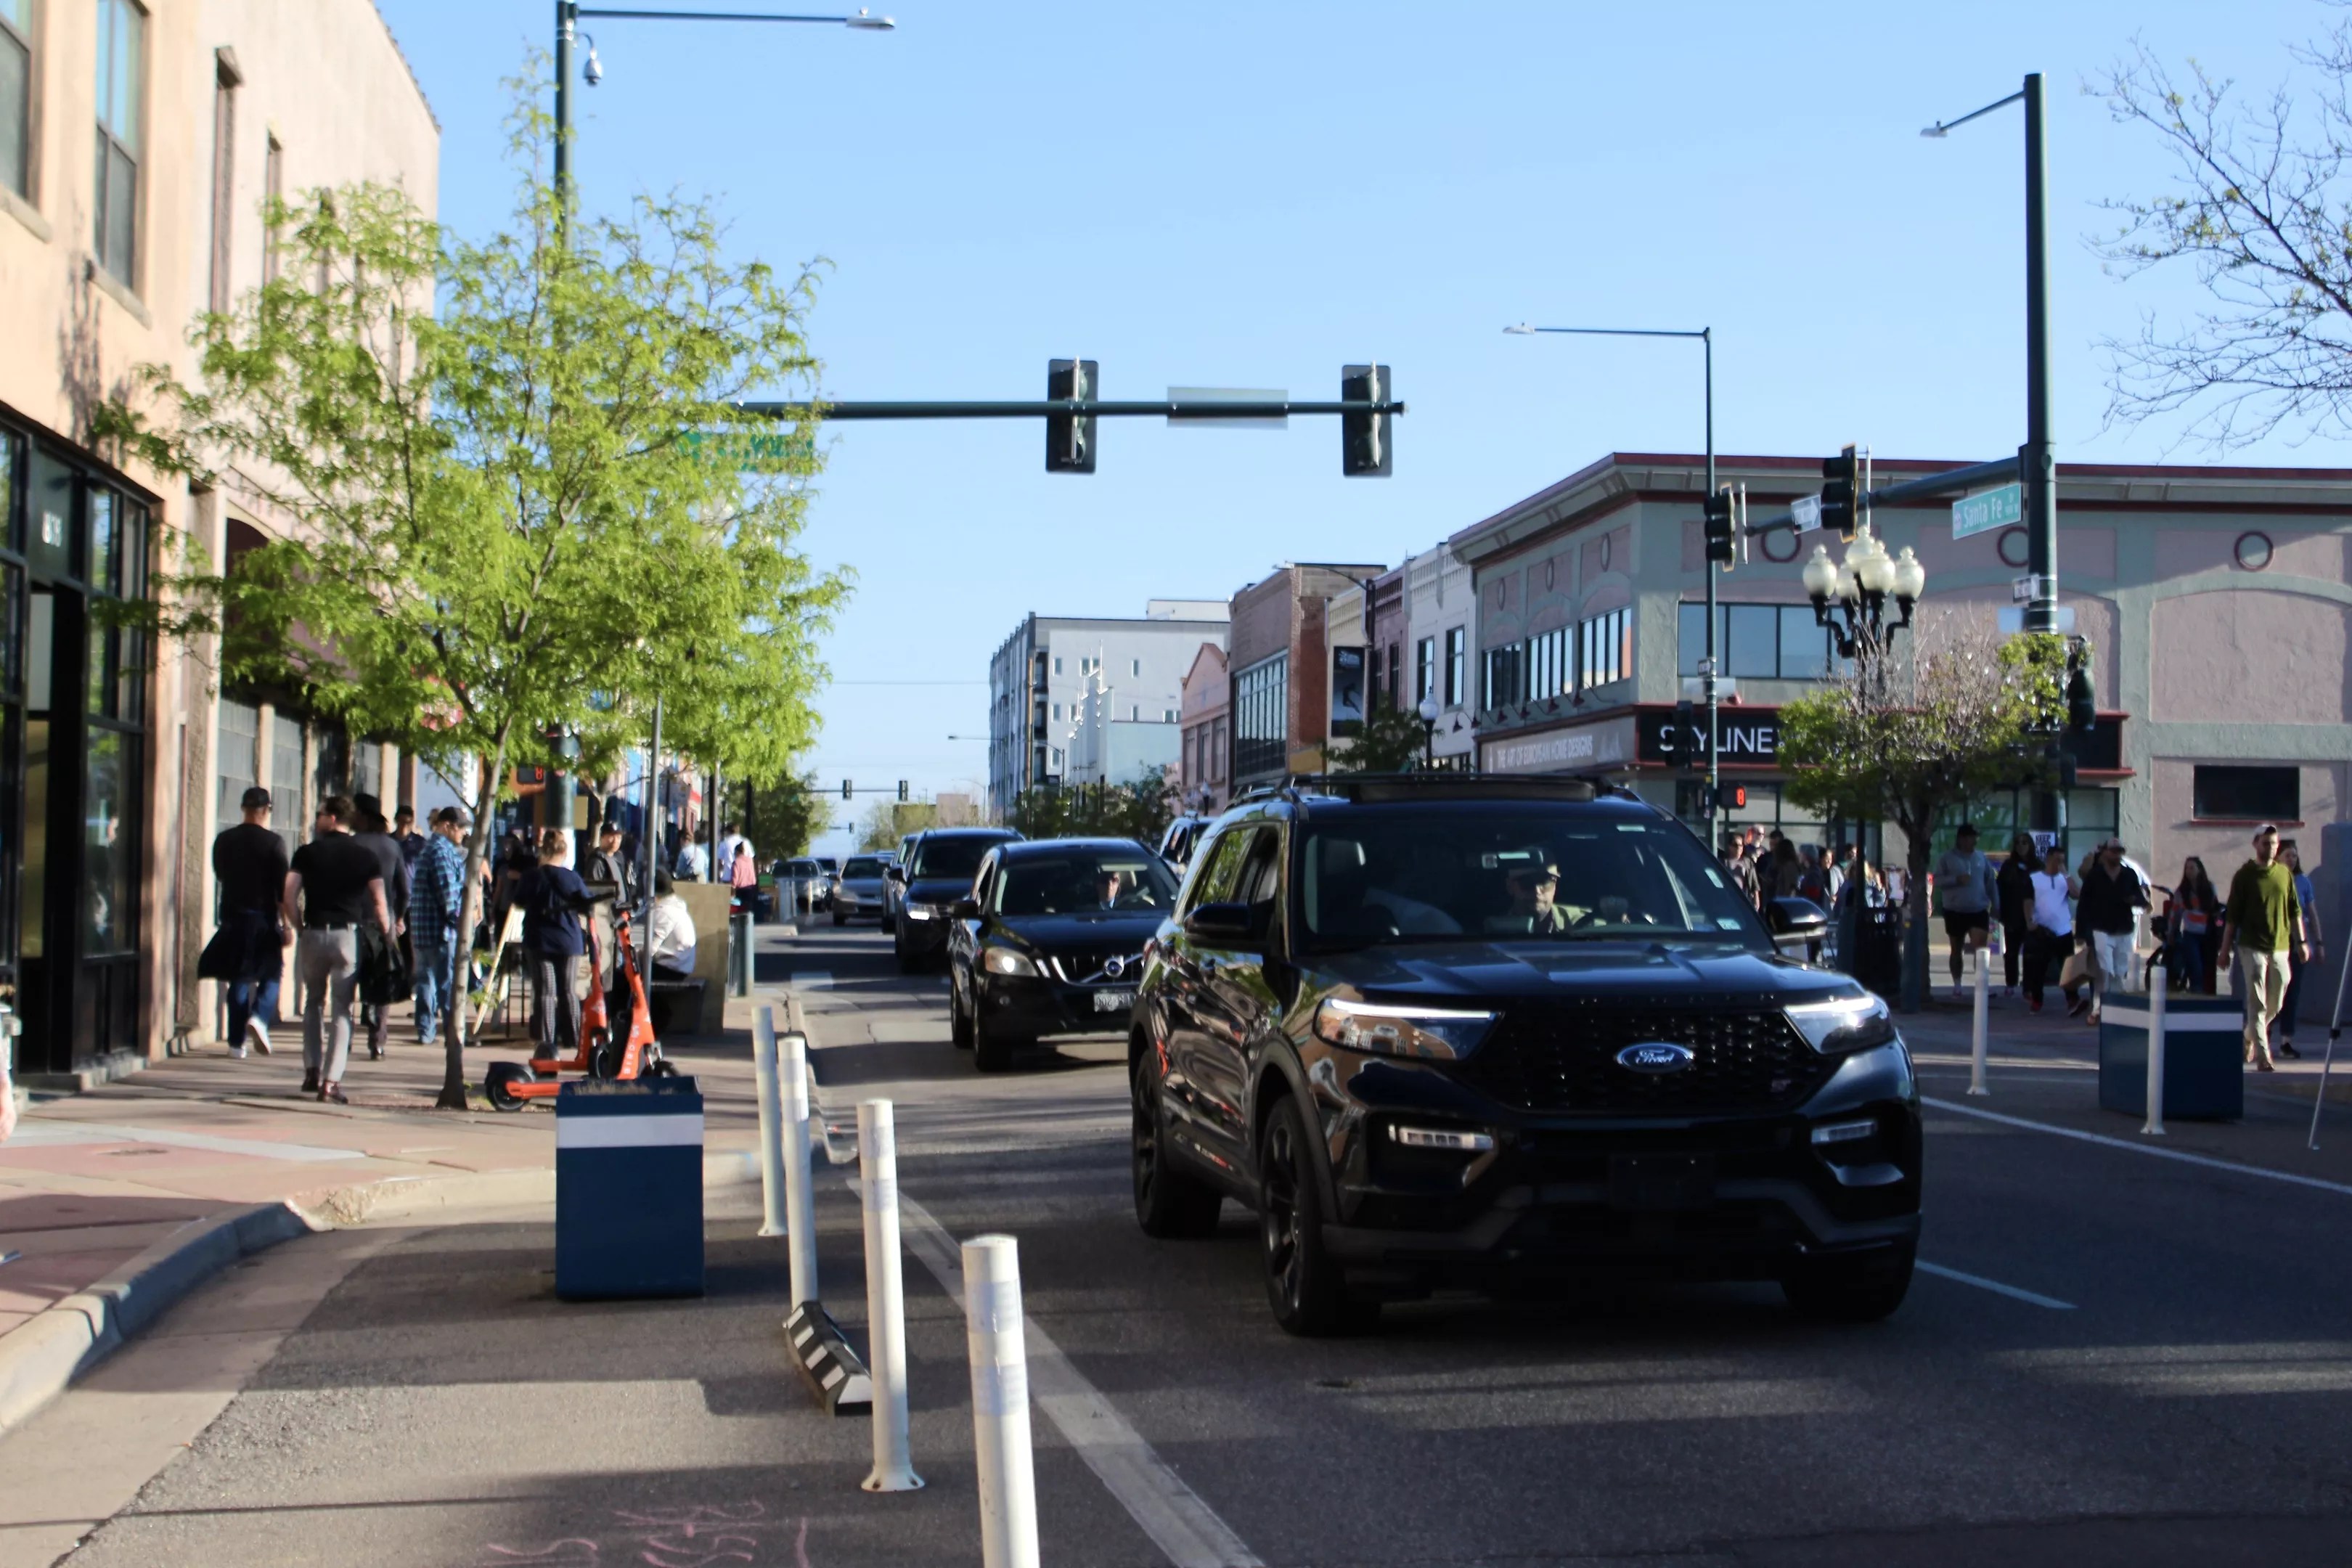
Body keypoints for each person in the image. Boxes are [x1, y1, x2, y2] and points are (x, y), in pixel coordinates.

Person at [281, 796, 393, 1104]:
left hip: (314, 933)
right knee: (343, 1009)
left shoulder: (306, 853)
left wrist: (298, 926)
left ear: (332, 818)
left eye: (319, 815)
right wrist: (387, 937)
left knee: (313, 1002)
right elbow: (380, 902)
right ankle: (331, 1081)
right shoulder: (365, 857)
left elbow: (289, 894)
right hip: (348, 936)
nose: (316, 820)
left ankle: (311, 1070)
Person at [207, 786, 290, 1058]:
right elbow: (282, 891)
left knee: (239, 978)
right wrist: (287, 926)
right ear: (266, 811)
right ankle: (260, 1016)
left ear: (244, 809)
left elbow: (220, 875)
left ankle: (236, 1043)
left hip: (233, 916)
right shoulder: (274, 843)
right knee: (272, 973)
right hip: (264, 918)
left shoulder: (224, 840)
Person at [2218, 824, 2310, 1072]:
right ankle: (2263, 1055)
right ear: (2255, 844)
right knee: (2256, 1002)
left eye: (2274, 843)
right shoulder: (2244, 875)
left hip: (2281, 946)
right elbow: (2232, 918)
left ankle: (2248, 1035)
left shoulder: (2284, 875)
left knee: (2277, 1000)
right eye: (2266, 843)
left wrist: (2301, 942)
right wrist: (2225, 950)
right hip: (2251, 946)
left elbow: (2295, 912)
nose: (2271, 848)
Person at [515, 828, 602, 1063]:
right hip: (569, 940)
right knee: (568, 991)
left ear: (543, 851)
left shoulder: (532, 877)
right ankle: (574, 1037)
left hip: (539, 938)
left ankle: (546, 1041)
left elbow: (519, 901)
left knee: (545, 991)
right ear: (564, 853)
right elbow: (587, 906)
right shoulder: (573, 878)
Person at [350, 794, 411, 1061]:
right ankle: (378, 1042)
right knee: (382, 978)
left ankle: (346, 1039)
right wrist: (398, 917)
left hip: (352, 920)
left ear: (362, 816)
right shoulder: (391, 846)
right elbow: (404, 889)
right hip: (382, 921)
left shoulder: (350, 845)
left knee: (349, 981)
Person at [409, 807, 470, 1051]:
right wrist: (461, 923)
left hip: (424, 930)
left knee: (426, 981)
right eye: (461, 827)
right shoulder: (442, 852)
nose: (464, 833)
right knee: (447, 986)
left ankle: (426, 1030)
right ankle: (452, 1034)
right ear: (447, 826)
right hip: (441, 933)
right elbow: (449, 896)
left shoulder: (429, 850)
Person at [2076, 838, 2150, 1024]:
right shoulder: (2095, 876)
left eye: (2119, 851)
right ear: (2105, 853)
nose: (2116, 854)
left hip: (2124, 929)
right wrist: (2080, 933)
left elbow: (2142, 899)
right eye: (2113, 851)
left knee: (2120, 970)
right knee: (2104, 969)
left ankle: (2117, 1009)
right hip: (2101, 928)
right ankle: (2098, 1010)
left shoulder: (2129, 874)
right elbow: (2084, 904)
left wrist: (2135, 900)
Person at [1934, 823, 1996, 998]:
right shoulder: (1947, 858)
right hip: (1955, 909)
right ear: (1962, 838)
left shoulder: (1981, 858)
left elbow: (1990, 882)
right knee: (1956, 948)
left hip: (1978, 908)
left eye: (1976, 837)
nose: (1974, 840)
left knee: (1980, 947)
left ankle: (1982, 985)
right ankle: (1957, 984)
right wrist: (1955, 879)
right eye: (1971, 837)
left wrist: (1996, 905)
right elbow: (1937, 880)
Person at [2022, 844, 2082, 1017]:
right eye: (2057, 860)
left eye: (2062, 860)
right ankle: (2037, 999)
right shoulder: (2034, 878)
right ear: (2048, 859)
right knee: (2039, 968)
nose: (2059, 863)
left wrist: (2066, 873)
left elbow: (2076, 894)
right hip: (2042, 930)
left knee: (2068, 968)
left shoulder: (2065, 879)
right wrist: (2029, 921)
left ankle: (2072, 1000)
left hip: (2063, 930)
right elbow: (2027, 900)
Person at [2278, 839, 2324, 1058]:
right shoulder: (2272, 880)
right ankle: (2262, 1039)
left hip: (2298, 944)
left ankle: (2286, 1040)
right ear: (2278, 857)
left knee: (2293, 994)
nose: (2291, 859)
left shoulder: (2303, 882)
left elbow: (2312, 914)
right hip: (2276, 944)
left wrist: (2319, 942)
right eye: (2287, 855)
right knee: (2273, 993)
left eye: (2294, 856)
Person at [2166, 856, 2221, 997]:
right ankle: (2197, 995)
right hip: (2191, 935)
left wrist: (2219, 929)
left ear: (2200, 870)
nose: (2189, 871)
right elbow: (2176, 915)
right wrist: (2172, 932)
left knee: (2208, 969)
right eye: (2187, 868)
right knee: (2195, 968)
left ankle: (2209, 996)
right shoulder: (2181, 892)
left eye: (2192, 868)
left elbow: (2215, 910)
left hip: (2208, 934)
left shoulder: (2210, 887)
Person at [1485, 852, 1569, 937]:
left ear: (1555, 884)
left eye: (1545, 881)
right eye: (1527, 882)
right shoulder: (1493, 933)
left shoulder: (1579, 924)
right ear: (1510, 886)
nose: (1537, 891)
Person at [1996, 833, 2038, 997]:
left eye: (2025, 843)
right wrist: (1999, 910)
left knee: (2030, 952)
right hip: (2012, 914)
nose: (2021, 846)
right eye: (2018, 843)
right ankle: (2011, 983)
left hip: (2032, 916)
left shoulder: (2037, 866)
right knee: (2011, 952)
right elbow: (1999, 889)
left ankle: (2028, 986)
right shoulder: (2008, 866)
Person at [648, 869, 698, 981]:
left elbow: (650, 949)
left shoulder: (665, 912)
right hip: (680, 965)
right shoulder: (675, 906)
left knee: (623, 975)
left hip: (672, 969)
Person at [1719, 834, 1760, 910]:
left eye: (1741, 845)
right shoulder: (1724, 862)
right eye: (1735, 845)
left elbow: (1754, 882)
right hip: (1729, 897)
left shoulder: (1748, 862)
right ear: (1730, 847)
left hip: (1745, 897)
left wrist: (1756, 898)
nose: (1738, 848)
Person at [393, 805, 427, 874]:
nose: (404, 825)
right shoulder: (388, 841)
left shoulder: (420, 843)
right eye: (402, 822)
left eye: (408, 822)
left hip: (412, 882)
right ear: (396, 820)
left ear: (412, 823)